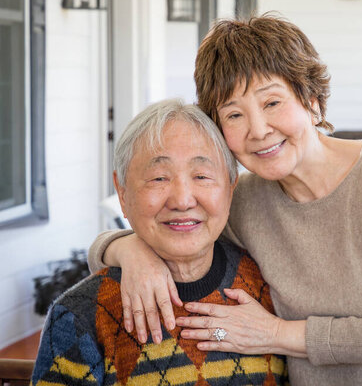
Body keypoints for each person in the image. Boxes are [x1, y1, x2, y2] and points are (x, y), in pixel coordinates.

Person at [87, 16, 362, 385]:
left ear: (312, 100)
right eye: (234, 114)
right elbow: (163, 227)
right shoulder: (247, 202)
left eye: (272, 102)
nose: (258, 130)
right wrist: (131, 251)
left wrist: (275, 334)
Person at [31, 100, 287, 386]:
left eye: (201, 176)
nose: (182, 200)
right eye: (158, 178)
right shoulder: (81, 315)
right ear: (123, 193)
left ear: (230, 188)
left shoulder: (270, 285)